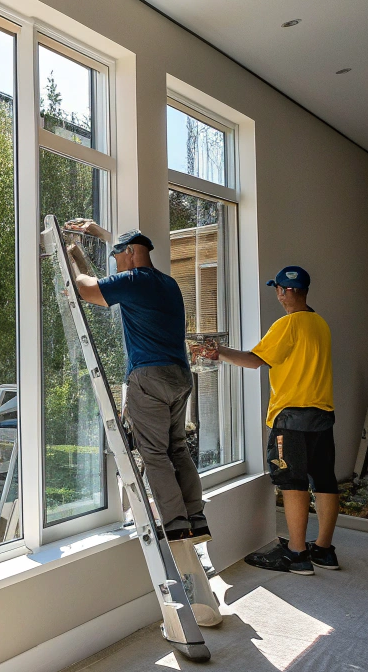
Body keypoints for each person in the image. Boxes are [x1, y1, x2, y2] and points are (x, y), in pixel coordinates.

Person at [65, 220, 208, 542]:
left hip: (151, 376)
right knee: (177, 448)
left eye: (117, 258)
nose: (116, 265)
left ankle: (174, 524)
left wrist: (72, 256)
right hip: (179, 375)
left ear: (130, 254)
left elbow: (87, 290)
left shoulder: (134, 281)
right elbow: (104, 291)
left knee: (154, 453)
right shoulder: (168, 283)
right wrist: (97, 238)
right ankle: (196, 518)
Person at [207, 265, 339, 574]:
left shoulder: (287, 325)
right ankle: (323, 550)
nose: (278, 295)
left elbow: (254, 361)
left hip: (292, 418)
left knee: (292, 482)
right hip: (323, 415)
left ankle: (296, 554)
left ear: (284, 291)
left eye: (277, 289)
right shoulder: (320, 323)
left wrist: (218, 352)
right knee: (325, 480)